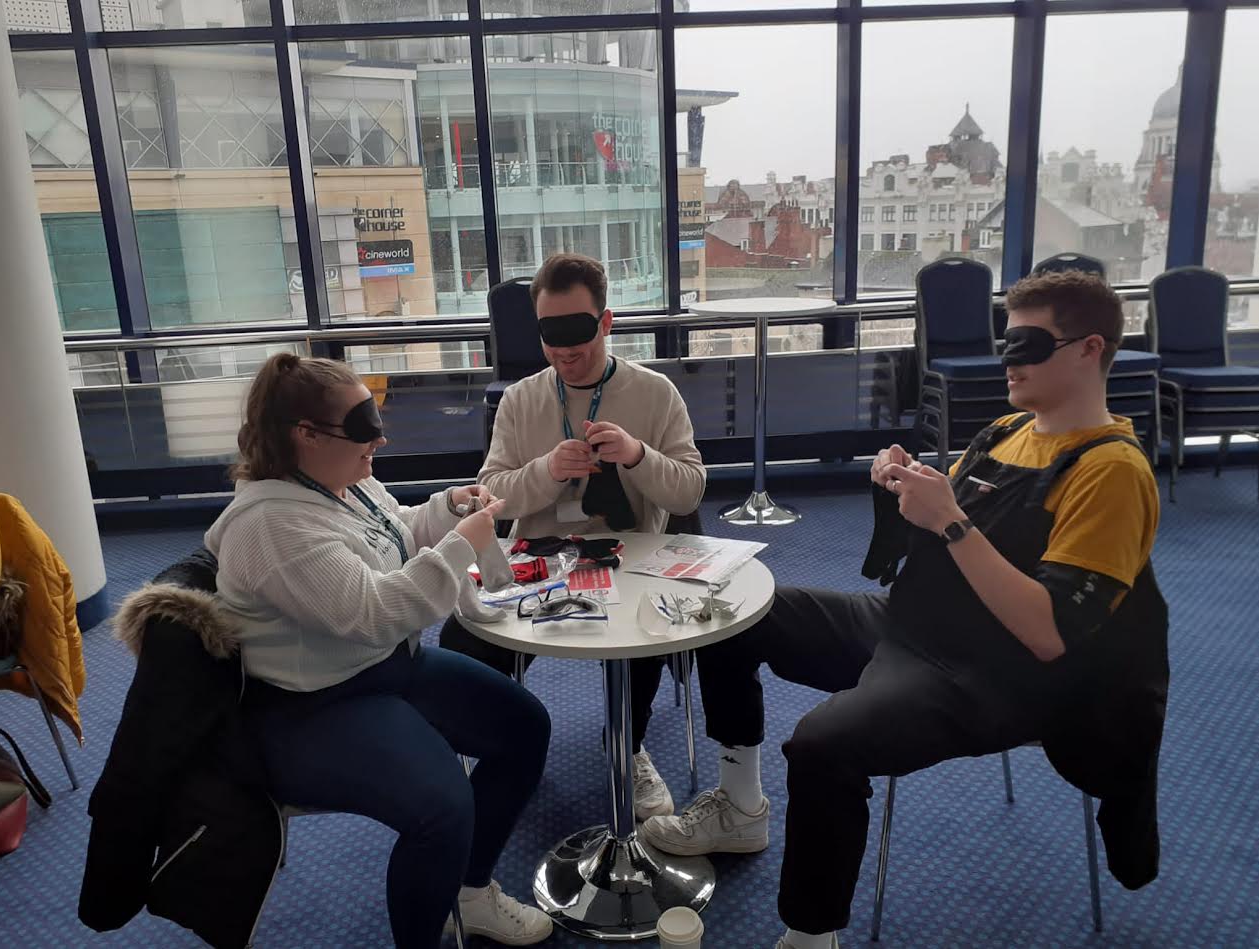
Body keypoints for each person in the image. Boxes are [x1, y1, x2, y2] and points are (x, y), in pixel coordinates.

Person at [641, 271, 1167, 949]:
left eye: (1028, 344)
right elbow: (944, 534)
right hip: (912, 622)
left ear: (1089, 348)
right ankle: (740, 804)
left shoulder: (1112, 472)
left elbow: (1048, 633)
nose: (1008, 359)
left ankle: (809, 936)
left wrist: (948, 520)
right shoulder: (1008, 430)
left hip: (993, 672)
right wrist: (905, 487)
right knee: (734, 607)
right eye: (1004, 341)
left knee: (822, 745)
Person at [204, 354, 553, 948]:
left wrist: (448, 510)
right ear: (305, 436)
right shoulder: (269, 526)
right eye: (363, 427)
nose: (381, 438)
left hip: (383, 665)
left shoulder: (342, 480)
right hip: (309, 705)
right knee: (441, 810)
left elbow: (393, 533)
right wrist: (459, 549)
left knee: (523, 728)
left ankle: (466, 893)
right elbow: (371, 612)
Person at [439, 252, 707, 820]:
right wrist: (547, 471)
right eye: (549, 334)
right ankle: (503, 749)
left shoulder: (655, 394)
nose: (565, 349)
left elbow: (689, 493)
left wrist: (637, 456)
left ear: (606, 323)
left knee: (645, 631)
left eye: (577, 331)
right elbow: (489, 491)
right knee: (462, 641)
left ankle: (627, 745)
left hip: (630, 554)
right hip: (536, 557)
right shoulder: (521, 399)